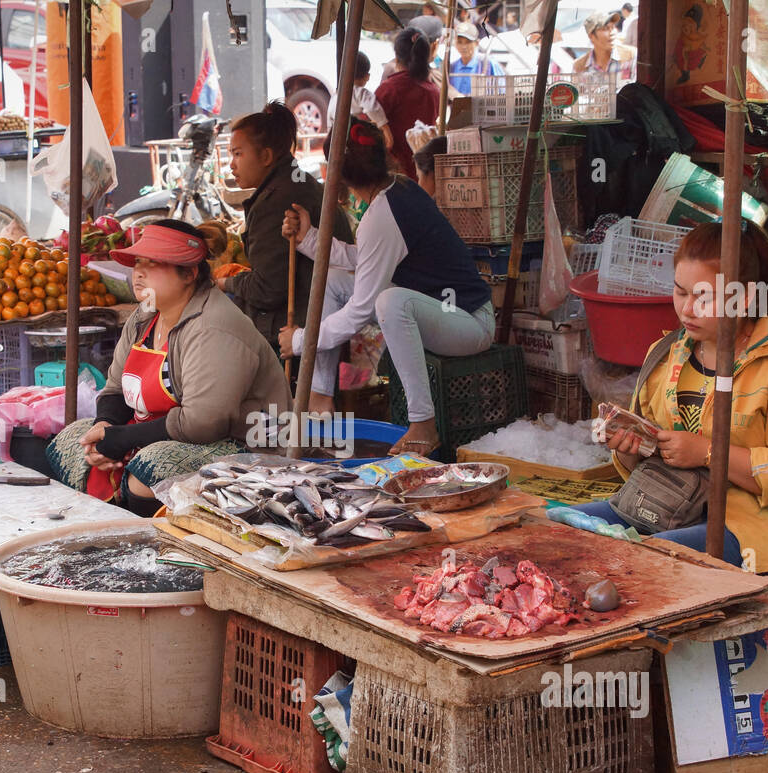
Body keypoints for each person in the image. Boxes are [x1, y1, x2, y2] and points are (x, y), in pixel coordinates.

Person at [574, 220, 768, 573]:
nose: (687, 309)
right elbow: (651, 465)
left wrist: (710, 454)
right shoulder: (665, 354)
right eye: (681, 292)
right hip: (668, 504)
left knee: (649, 560)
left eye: (704, 297)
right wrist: (631, 445)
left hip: (749, 524)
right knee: (561, 526)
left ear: (745, 297)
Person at [278, 119, 494, 457]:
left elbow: (360, 310)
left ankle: (423, 424)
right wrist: (308, 239)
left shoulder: (385, 210)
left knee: (391, 302)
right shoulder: (397, 189)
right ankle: (320, 395)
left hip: (469, 323)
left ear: (339, 174)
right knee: (335, 281)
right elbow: (365, 257)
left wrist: (299, 340)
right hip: (445, 312)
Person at [47, 220, 292, 514]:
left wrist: (123, 439)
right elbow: (115, 388)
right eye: (138, 262)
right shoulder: (145, 315)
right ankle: (103, 529)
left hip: (246, 445)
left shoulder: (214, 326)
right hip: (168, 430)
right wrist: (105, 425)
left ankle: (151, 543)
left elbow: (203, 422)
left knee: (150, 468)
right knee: (74, 439)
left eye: (153, 264)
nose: (138, 272)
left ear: (188, 273)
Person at [220, 101, 354, 344]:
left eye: (238, 154)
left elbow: (267, 291)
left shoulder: (277, 200)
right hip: (324, 312)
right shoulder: (297, 181)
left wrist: (224, 282)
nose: (232, 164)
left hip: (302, 323)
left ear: (266, 156)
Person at [377, 29, 440, 185]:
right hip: (426, 177)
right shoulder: (434, 91)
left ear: (397, 57)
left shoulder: (389, 89)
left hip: (394, 176)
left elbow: (370, 125)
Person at [328, 52, 393, 148]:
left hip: (337, 143)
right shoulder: (361, 93)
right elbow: (372, 109)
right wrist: (387, 132)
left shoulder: (335, 96)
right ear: (367, 77)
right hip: (358, 142)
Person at [573, 11, 636, 82]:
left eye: (613, 27)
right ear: (591, 36)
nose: (612, 32)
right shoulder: (579, 66)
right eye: (605, 29)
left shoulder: (630, 56)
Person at [449, 20, 504, 96]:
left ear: (476, 43)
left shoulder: (487, 64)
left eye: (468, 42)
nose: (464, 46)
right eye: (460, 42)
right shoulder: (452, 67)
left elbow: (503, 92)